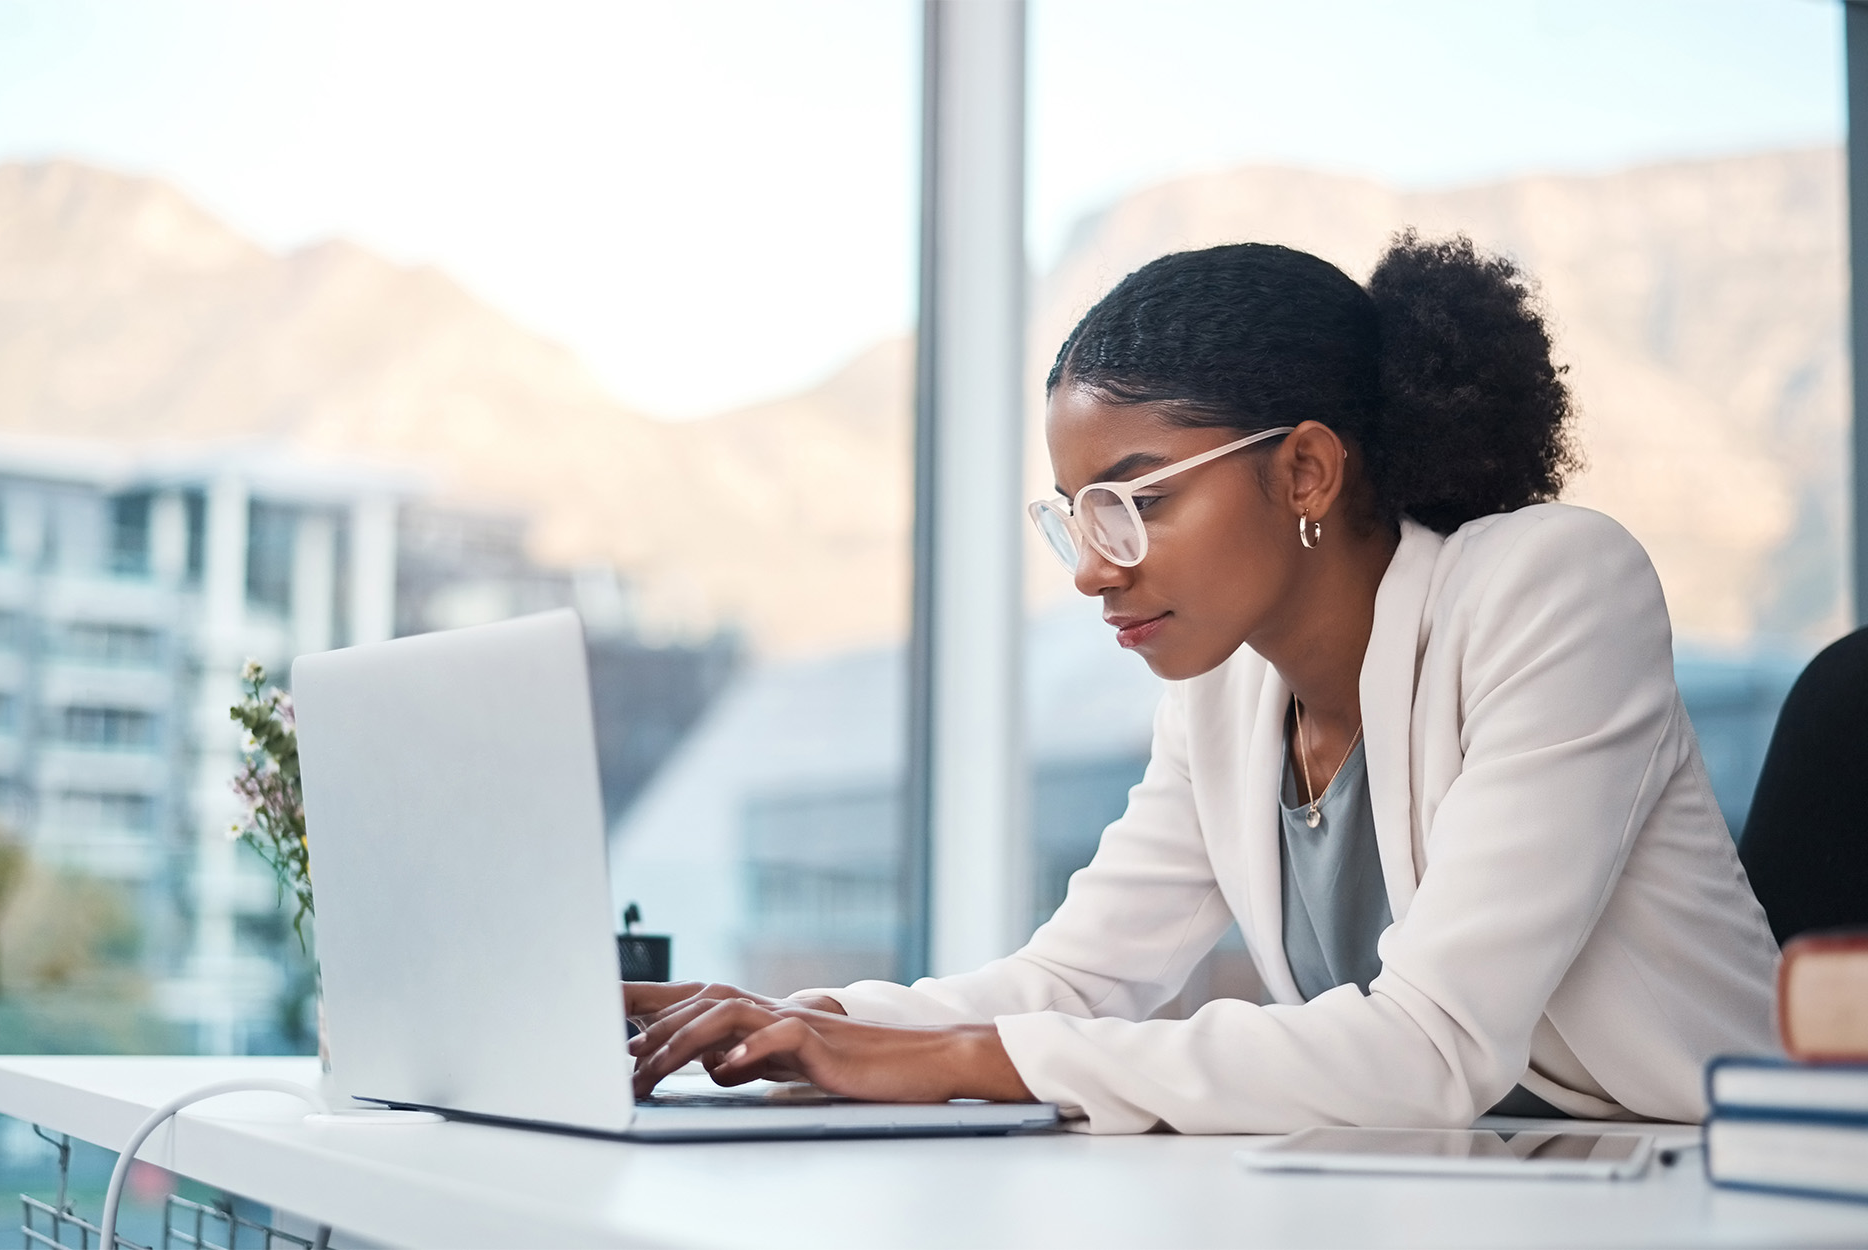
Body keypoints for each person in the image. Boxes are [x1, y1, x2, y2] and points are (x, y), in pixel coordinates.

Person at [624, 234, 1780, 1133]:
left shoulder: (1554, 586)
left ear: (1306, 468)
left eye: (1136, 500)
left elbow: (1431, 1044)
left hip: (1711, 1189)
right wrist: (803, 1022)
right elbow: (1077, 977)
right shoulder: (1224, 692)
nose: (1089, 567)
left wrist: (959, 1058)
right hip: (1453, 1189)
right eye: (1073, 515)